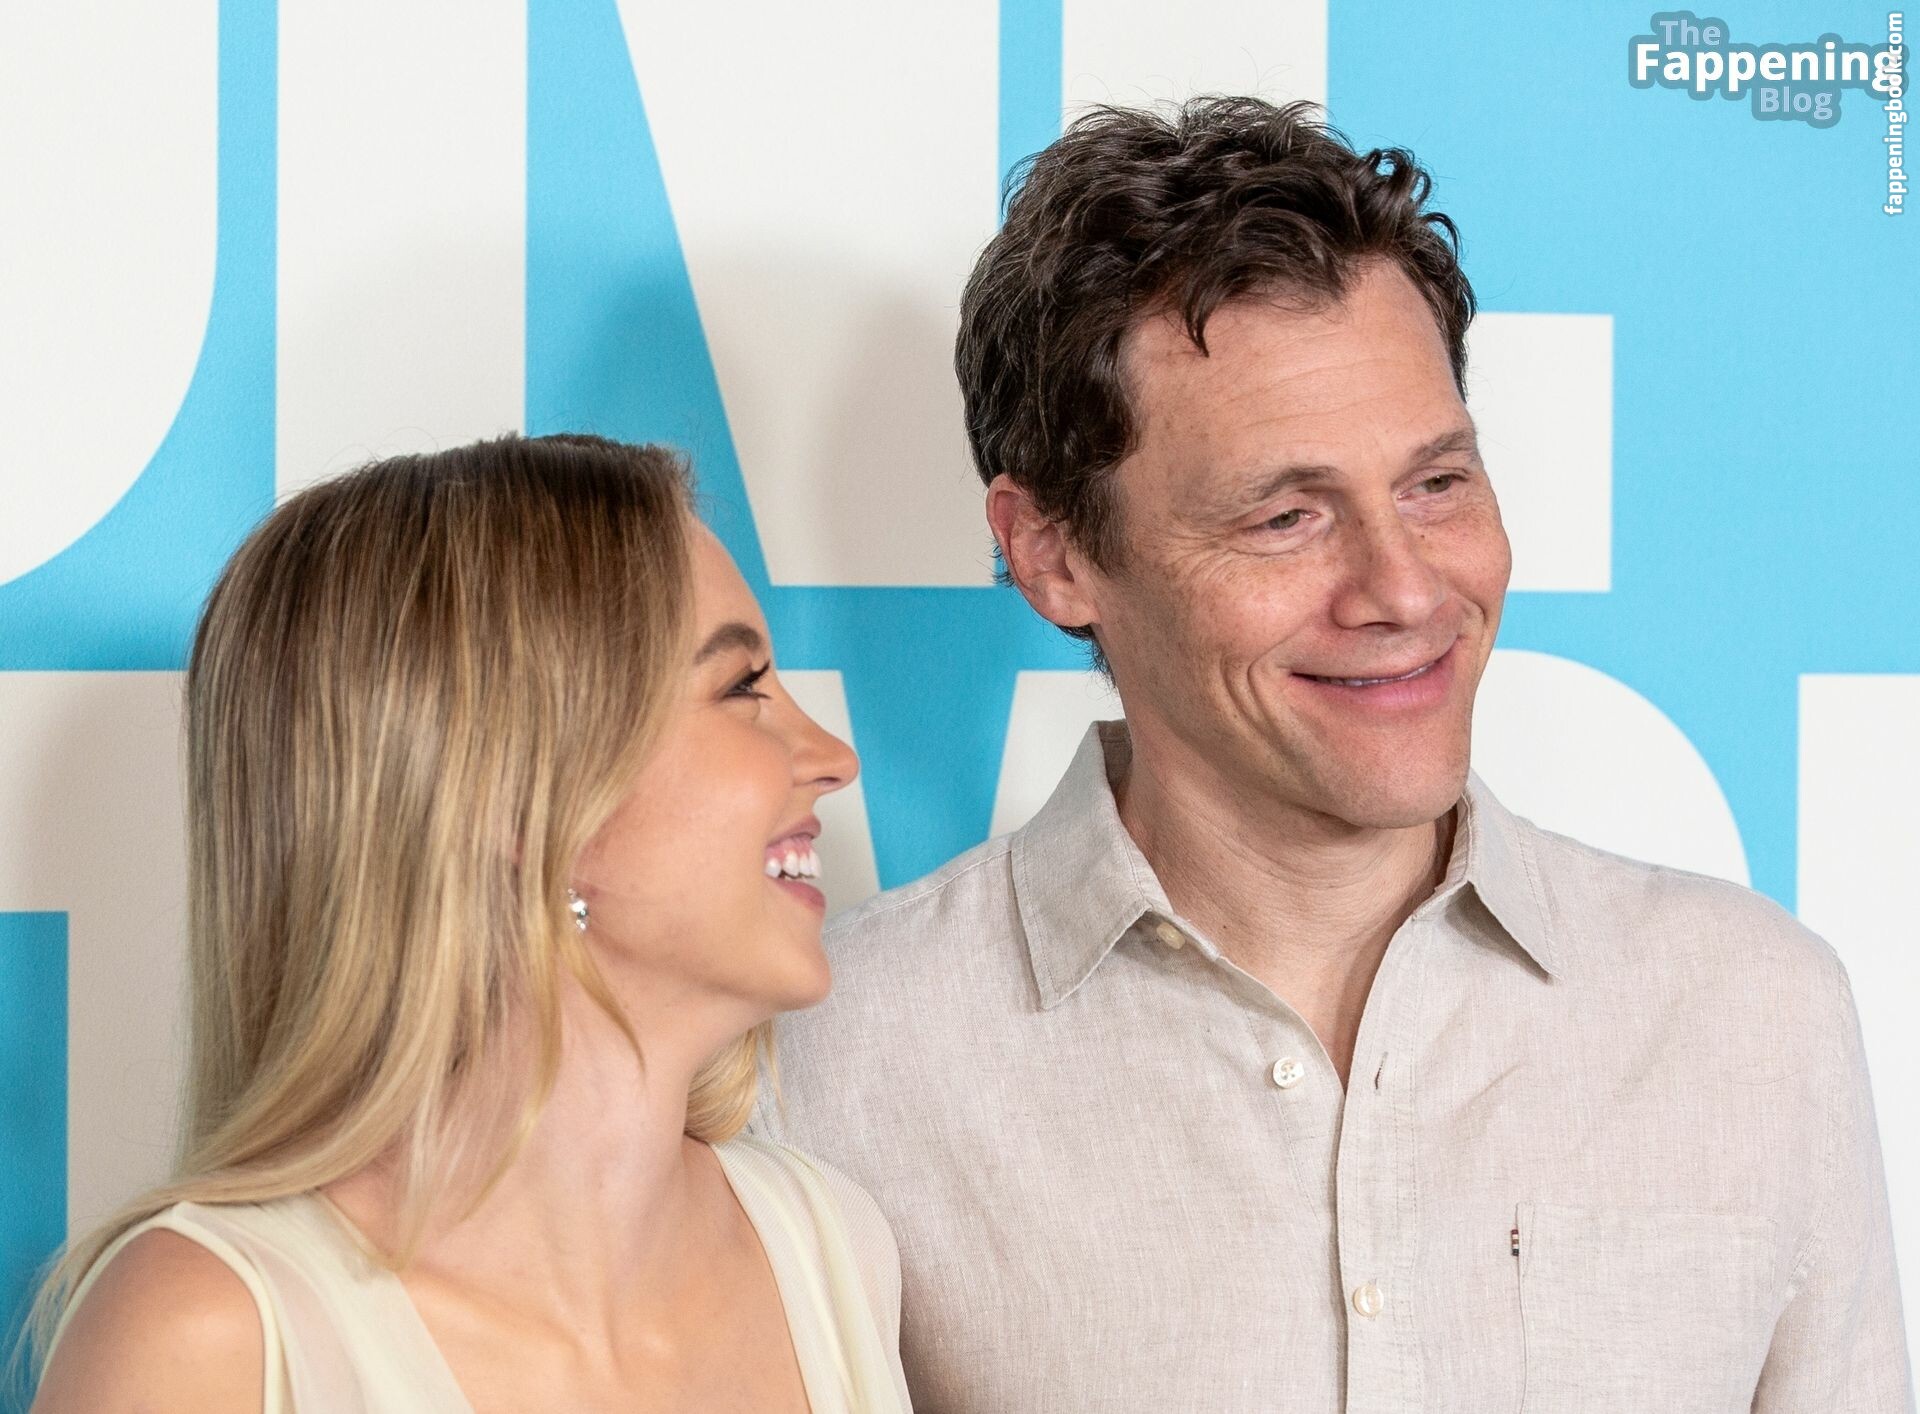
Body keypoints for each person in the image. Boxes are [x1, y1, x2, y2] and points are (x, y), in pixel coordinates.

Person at [755, 98, 1914, 1411]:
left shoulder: (1753, 1014)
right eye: (1288, 516)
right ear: (1054, 555)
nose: (1405, 589)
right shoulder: (833, 1063)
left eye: (1436, 484)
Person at [30, 434, 913, 1412]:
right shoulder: (206, 1339)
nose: (833, 756)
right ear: (512, 796)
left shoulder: (827, 1247)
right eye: (741, 688)